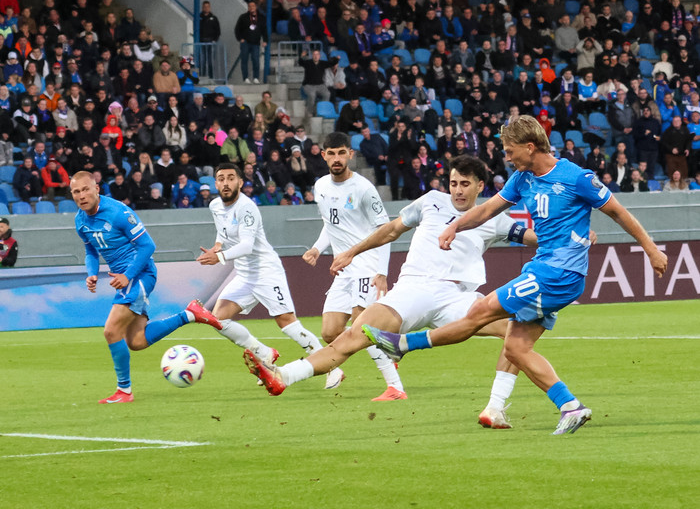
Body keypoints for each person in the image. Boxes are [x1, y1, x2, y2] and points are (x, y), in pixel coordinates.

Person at [360, 115, 668, 434]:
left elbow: (618, 212)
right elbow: (486, 210)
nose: (506, 157)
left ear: (530, 146)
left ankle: (404, 344)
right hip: (544, 269)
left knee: (481, 310)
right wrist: (455, 226)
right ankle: (570, 407)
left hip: (558, 273)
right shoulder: (522, 178)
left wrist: (651, 249)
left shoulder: (577, 178)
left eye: (510, 150)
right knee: (516, 349)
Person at [244, 156, 538, 428]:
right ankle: (283, 376)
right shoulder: (431, 202)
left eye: (465, 184)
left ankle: (494, 408)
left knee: (519, 329)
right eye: (453, 183)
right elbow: (392, 230)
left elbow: (533, 238)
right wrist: (352, 252)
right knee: (353, 336)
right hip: (412, 290)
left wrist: (564, 237)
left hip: (457, 298)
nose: (458, 190)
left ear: (480, 186)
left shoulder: (493, 218)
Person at [69, 171, 223, 403]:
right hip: (125, 280)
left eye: (85, 189)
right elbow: (90, 250)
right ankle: (190, 314)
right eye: (76, 192)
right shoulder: (80, 220)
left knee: (111, 331)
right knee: (137, 341)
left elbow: (148, 246)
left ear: (96, 189)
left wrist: (127, 275)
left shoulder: (118, 212)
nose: (81, 195)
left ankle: (124, 391)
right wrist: (91, 273)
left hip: (140, 274)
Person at [293, 132, 404, 399]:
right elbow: (330, 224)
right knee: (330, 332)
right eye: (331, 153)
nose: (337, 158)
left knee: (361, 327)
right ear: (323, 155)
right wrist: (317, 248)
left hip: (367, 265)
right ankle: (387, 344)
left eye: (341, 153)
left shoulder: (364, 188)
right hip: (344, 270)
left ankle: (395, 387)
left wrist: (382, 272)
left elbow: (385, 230)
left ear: (350, 155)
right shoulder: (321, 186)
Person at [195, 163, 327, 375]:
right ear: (216, 183)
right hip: (245, 274)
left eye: (231, 178)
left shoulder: (247, 207)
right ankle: (264, 353)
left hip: (266, 272)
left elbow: (247, 246)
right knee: (218, 318)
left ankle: (329, 364)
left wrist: (219, 257)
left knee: (287, 323)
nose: (226, 183)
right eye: (221, 179)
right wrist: (218, 245)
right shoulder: (215, 206)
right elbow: (223, 230)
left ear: (240, 182)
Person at [234, 1, 267, 84]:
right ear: (248, 8)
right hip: (245, 42)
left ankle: (256, 77)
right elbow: (237, 29)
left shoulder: (261, 17)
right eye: (250, 6)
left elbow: (264, 30)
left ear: (256, 7)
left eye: (253, 6)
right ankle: (245, 78)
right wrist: (240, 38)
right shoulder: (243, 17)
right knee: (244, 60)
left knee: (256, 60)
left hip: (256, 42)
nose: (251, 7)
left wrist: (265, 40)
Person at [198, 1, 221, 78]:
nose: (206, 8)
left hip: (211, 42)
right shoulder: (199, 18)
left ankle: (211, 77)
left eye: (207, 7)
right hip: (201, 41)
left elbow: (218, 31)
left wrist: (215, 40)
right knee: (202, 60)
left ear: (210, 7)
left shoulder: (214, 18)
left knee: (210, 60)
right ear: (202, 7)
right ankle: (202, 76)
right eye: (205, 7)